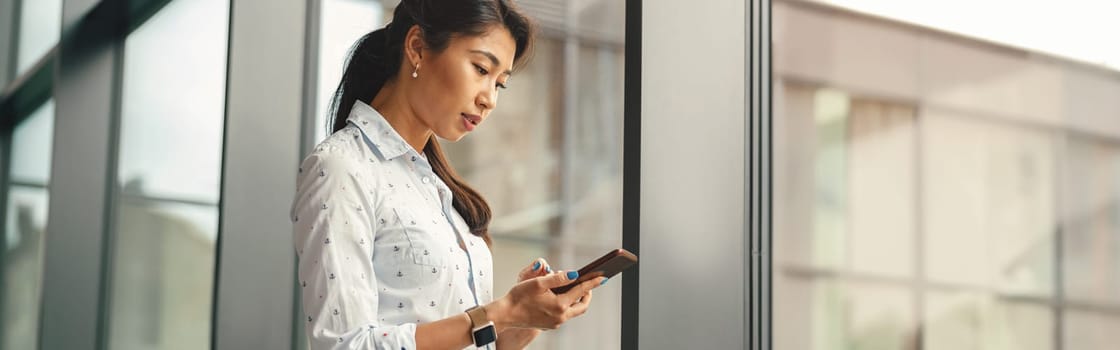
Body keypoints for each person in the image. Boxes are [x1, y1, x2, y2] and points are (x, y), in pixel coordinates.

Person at [289, 1, 607, 349]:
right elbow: (344, 345)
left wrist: (520, 320)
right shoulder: (342, 167)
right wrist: (501, 312)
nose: (490, 100)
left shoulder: (436, 186)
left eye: (500, 83)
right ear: (417, 48)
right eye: (481, 68)